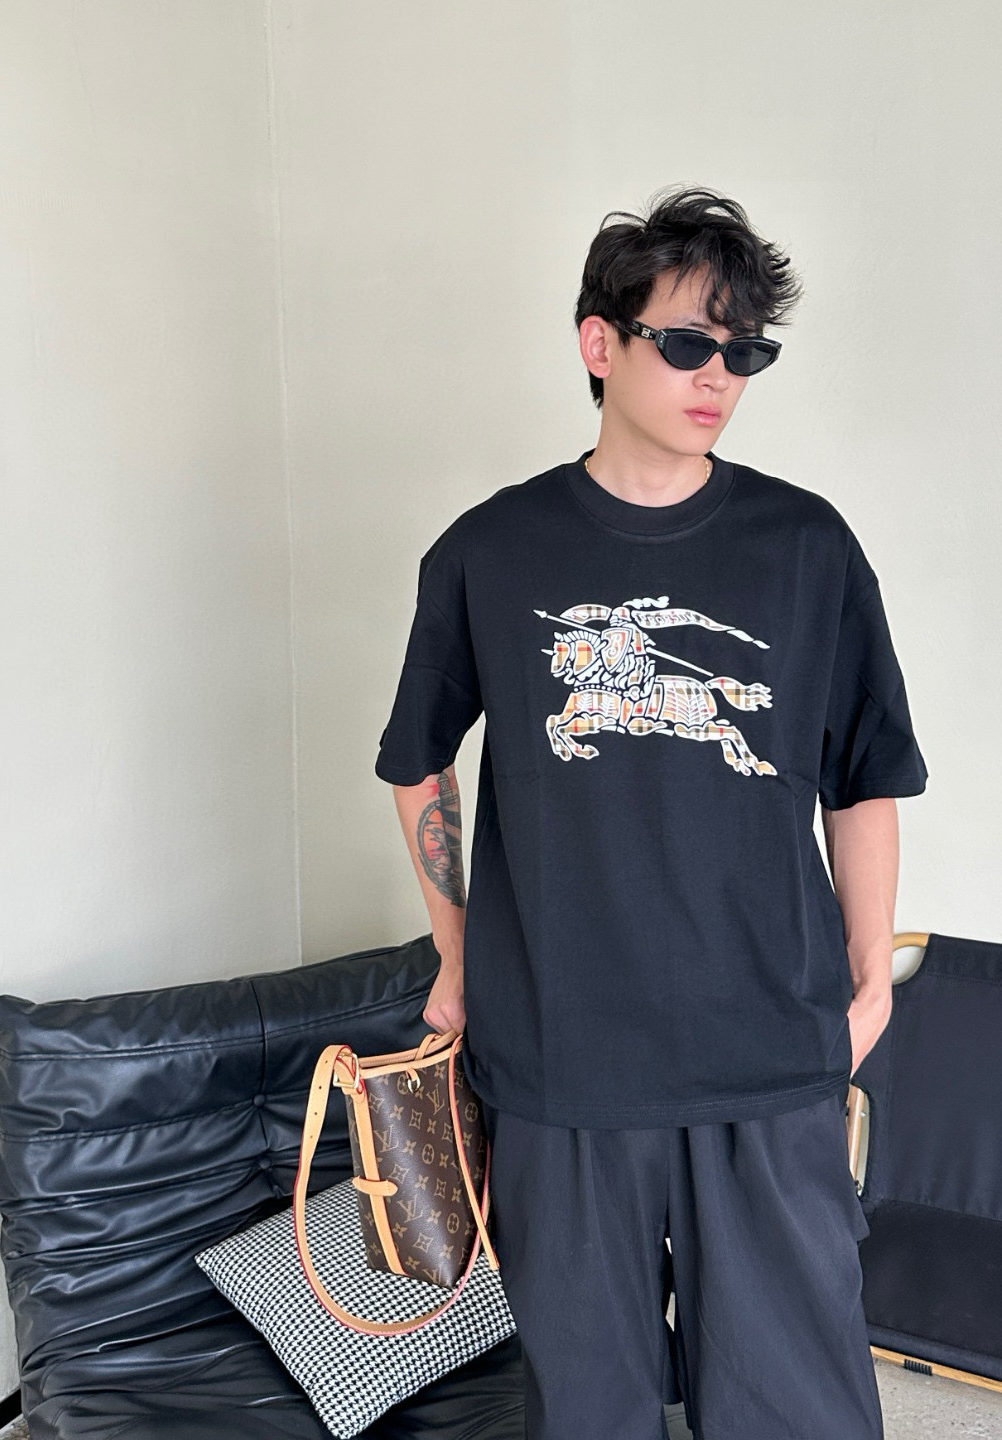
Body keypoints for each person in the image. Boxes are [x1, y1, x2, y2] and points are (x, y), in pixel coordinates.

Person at [373, 185, 928, 1440]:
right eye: (685, 342)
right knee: (591, 1406)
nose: (717, 375)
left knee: (798, 1406)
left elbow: (866, 773)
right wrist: (460, 956)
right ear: (599, 342)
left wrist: (869, 983)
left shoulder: (807, 548)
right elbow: (418, 762)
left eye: (745, 352)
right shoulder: (489, 552)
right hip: (560, 1055)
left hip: (768, 1046)